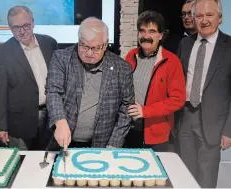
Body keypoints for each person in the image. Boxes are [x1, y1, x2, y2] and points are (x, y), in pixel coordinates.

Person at [46, 17, 134, 149]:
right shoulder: (61, 58)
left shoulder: (122, 67)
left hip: (102, 144)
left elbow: (127, 107)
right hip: (65, 142)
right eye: (83, 45)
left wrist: (114, 142)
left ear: (105, 45)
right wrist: (60, 121)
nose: (88, 53)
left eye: (95, 48)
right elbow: (53, 92)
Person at [177, 0, 231, 187]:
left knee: (207, 179)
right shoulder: (185, 44)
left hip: (213, 124)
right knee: (184, 175)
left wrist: (228, 131)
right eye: (199, 16)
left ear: (220, 18)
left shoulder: (229, 46)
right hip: (184, 118)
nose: (204, 20)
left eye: (209, 15)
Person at [0, 6, 58, 150]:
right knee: (24, 165)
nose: (22, 31)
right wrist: (0, 126)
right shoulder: (2, 53)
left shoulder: (50, 43)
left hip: (51, 117)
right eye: (16, 28)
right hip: (21, 124)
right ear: (10, 28)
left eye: (26, 26)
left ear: (33, 23)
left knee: (49, 161)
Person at [125, 11, 186, 152]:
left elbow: (178, 99)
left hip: (156, 134)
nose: (146, 36)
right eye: (142, 31)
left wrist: (145, 111)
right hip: (129, 129)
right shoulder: (131, 55)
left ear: (160, 35)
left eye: (151, 31)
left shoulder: (171, 61)